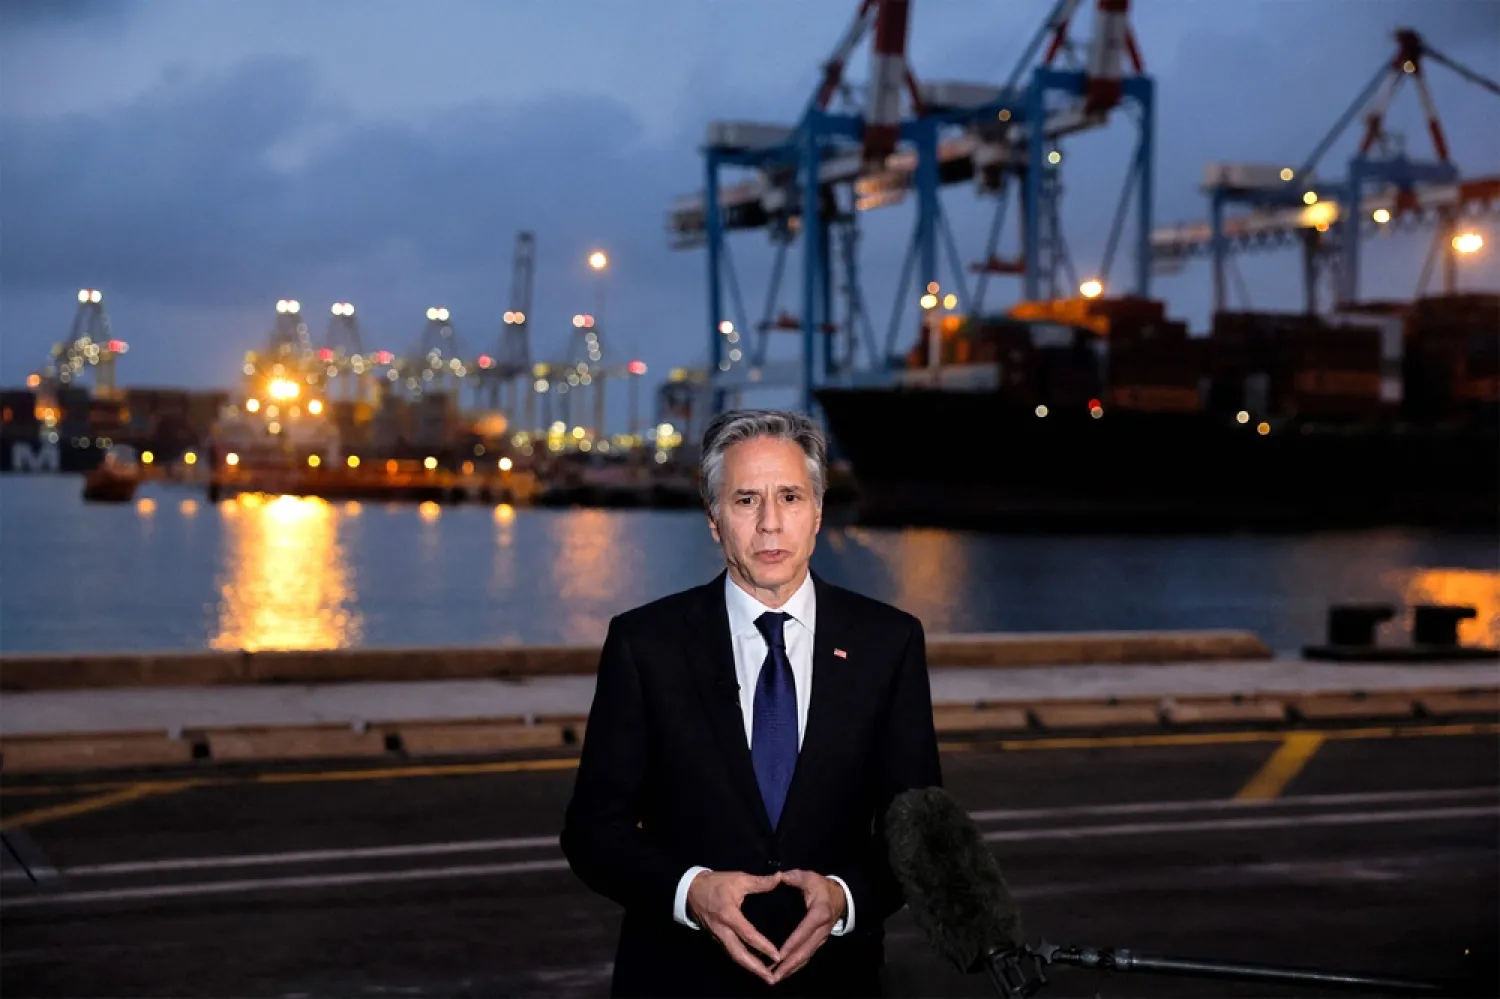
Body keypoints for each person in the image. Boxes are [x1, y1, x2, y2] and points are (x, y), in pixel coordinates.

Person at [560, 408, 943, 997]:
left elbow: (918, 831)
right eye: (745, 500)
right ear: (714, 519)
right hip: (678, 978)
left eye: (789, 497)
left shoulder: (888, 642)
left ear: (818, 511)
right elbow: (592, 831)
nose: (769, 524)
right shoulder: (646, 644)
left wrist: (846, 897)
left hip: (835, 981)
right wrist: (690, 890)